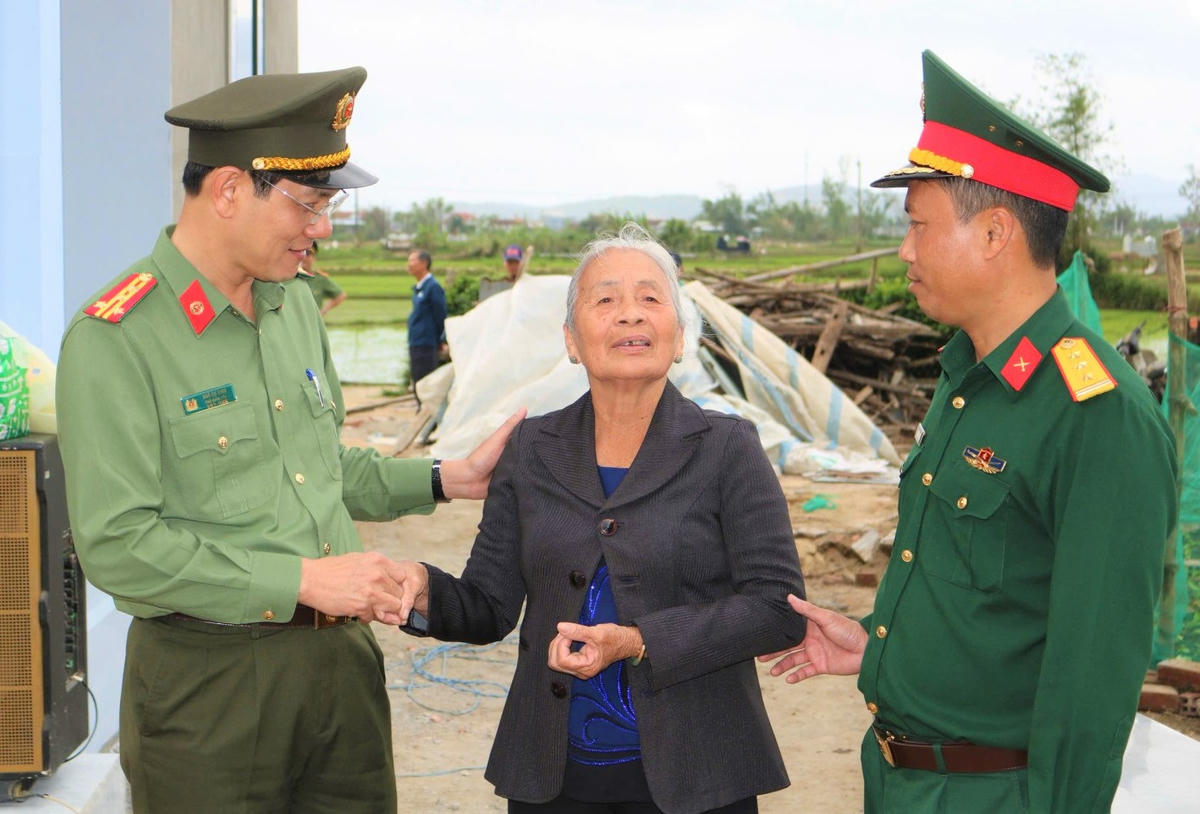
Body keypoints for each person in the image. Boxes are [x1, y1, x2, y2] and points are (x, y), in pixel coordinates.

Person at [55, 67, 522, 814]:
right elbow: (120, 547)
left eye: (327, 205)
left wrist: (448, 477)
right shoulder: (117, 338)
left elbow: (314, 466)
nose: (323, 229)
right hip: (212, 689)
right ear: (231, 191)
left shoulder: (293, 306)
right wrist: (303, 582)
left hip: (340, 671)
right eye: (308, 205)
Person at [761, 51, 1178, 813]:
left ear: (994, 234)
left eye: (920, 227)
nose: (905, 251)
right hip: (902, 779)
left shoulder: (1096, 414)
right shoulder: (968, 380)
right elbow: (987, 592)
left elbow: (1092, 681)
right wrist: (881, 647)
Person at [394, 224, 808, 814]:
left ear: (681, 335)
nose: (630, 315)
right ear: (570, 339)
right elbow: (488, 604)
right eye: (605, 299)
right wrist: (421, 593)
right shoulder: (532, 448)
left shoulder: (728, 448)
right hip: (555, 781)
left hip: (698, 777)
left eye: (650, 297)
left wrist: (638, 641)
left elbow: (776, 610)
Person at [406, 248, 447, 392]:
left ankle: (427, 414)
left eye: (412, 260)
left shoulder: (433, 287)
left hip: (426, 344)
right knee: (417, 381)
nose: (409, 264)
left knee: (426, 384)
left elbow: (440, 315)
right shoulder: (419, 287)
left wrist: (441, 340)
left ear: (424, 263)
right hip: (416, 342)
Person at [297, 240, 347, 316]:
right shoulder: (287, 277)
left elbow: (340, 295)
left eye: (308, 253)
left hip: (313, 323)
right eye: (301, 252)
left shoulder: (320, 279)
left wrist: (323, 311)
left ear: (314, 258)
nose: (304, 257)